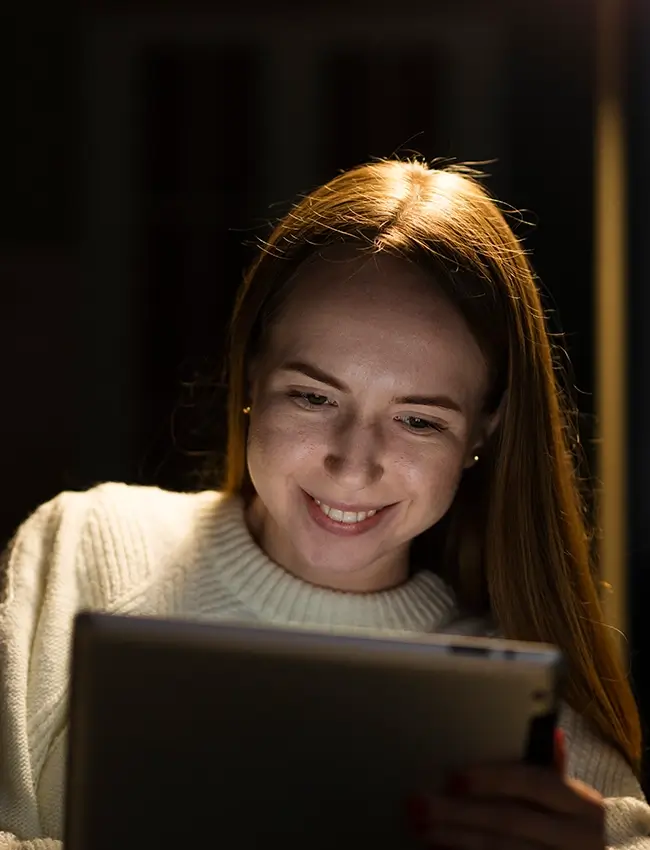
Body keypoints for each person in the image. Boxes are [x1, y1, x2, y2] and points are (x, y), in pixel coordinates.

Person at [0, 158, 648, 850]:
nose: (352, 462)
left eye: (418, 420)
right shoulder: (87, 543)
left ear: (482, 434)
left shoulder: (519, 711)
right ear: (252, 374)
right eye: (313, 397)